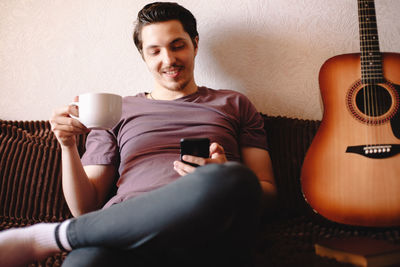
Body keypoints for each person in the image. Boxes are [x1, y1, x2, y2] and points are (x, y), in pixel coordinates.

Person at [0, 2, 276, 267]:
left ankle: (52, 237)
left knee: (235, 178)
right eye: (154, 51)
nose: (168, 59)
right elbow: (85, 208)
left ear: (195, 44)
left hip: (207, 228)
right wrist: (67, 145)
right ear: (143, 56)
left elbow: (266, 190)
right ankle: (68, 237)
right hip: (125, 236)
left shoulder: (235, 103)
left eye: (177, 45)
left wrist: (218, 176)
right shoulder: (115, 111)